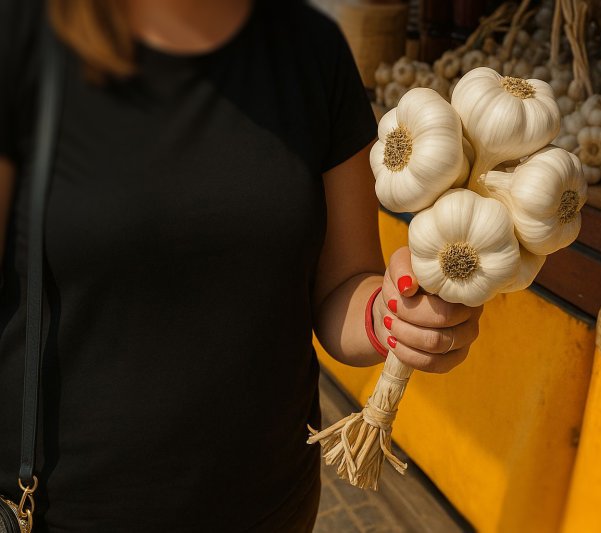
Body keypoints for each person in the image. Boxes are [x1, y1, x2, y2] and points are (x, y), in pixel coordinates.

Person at [0, 0, 483, 531]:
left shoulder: (313, 51)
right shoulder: (23, 35)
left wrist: (394, 313)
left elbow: (343, 282)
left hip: (269, 509)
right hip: (57, 514)